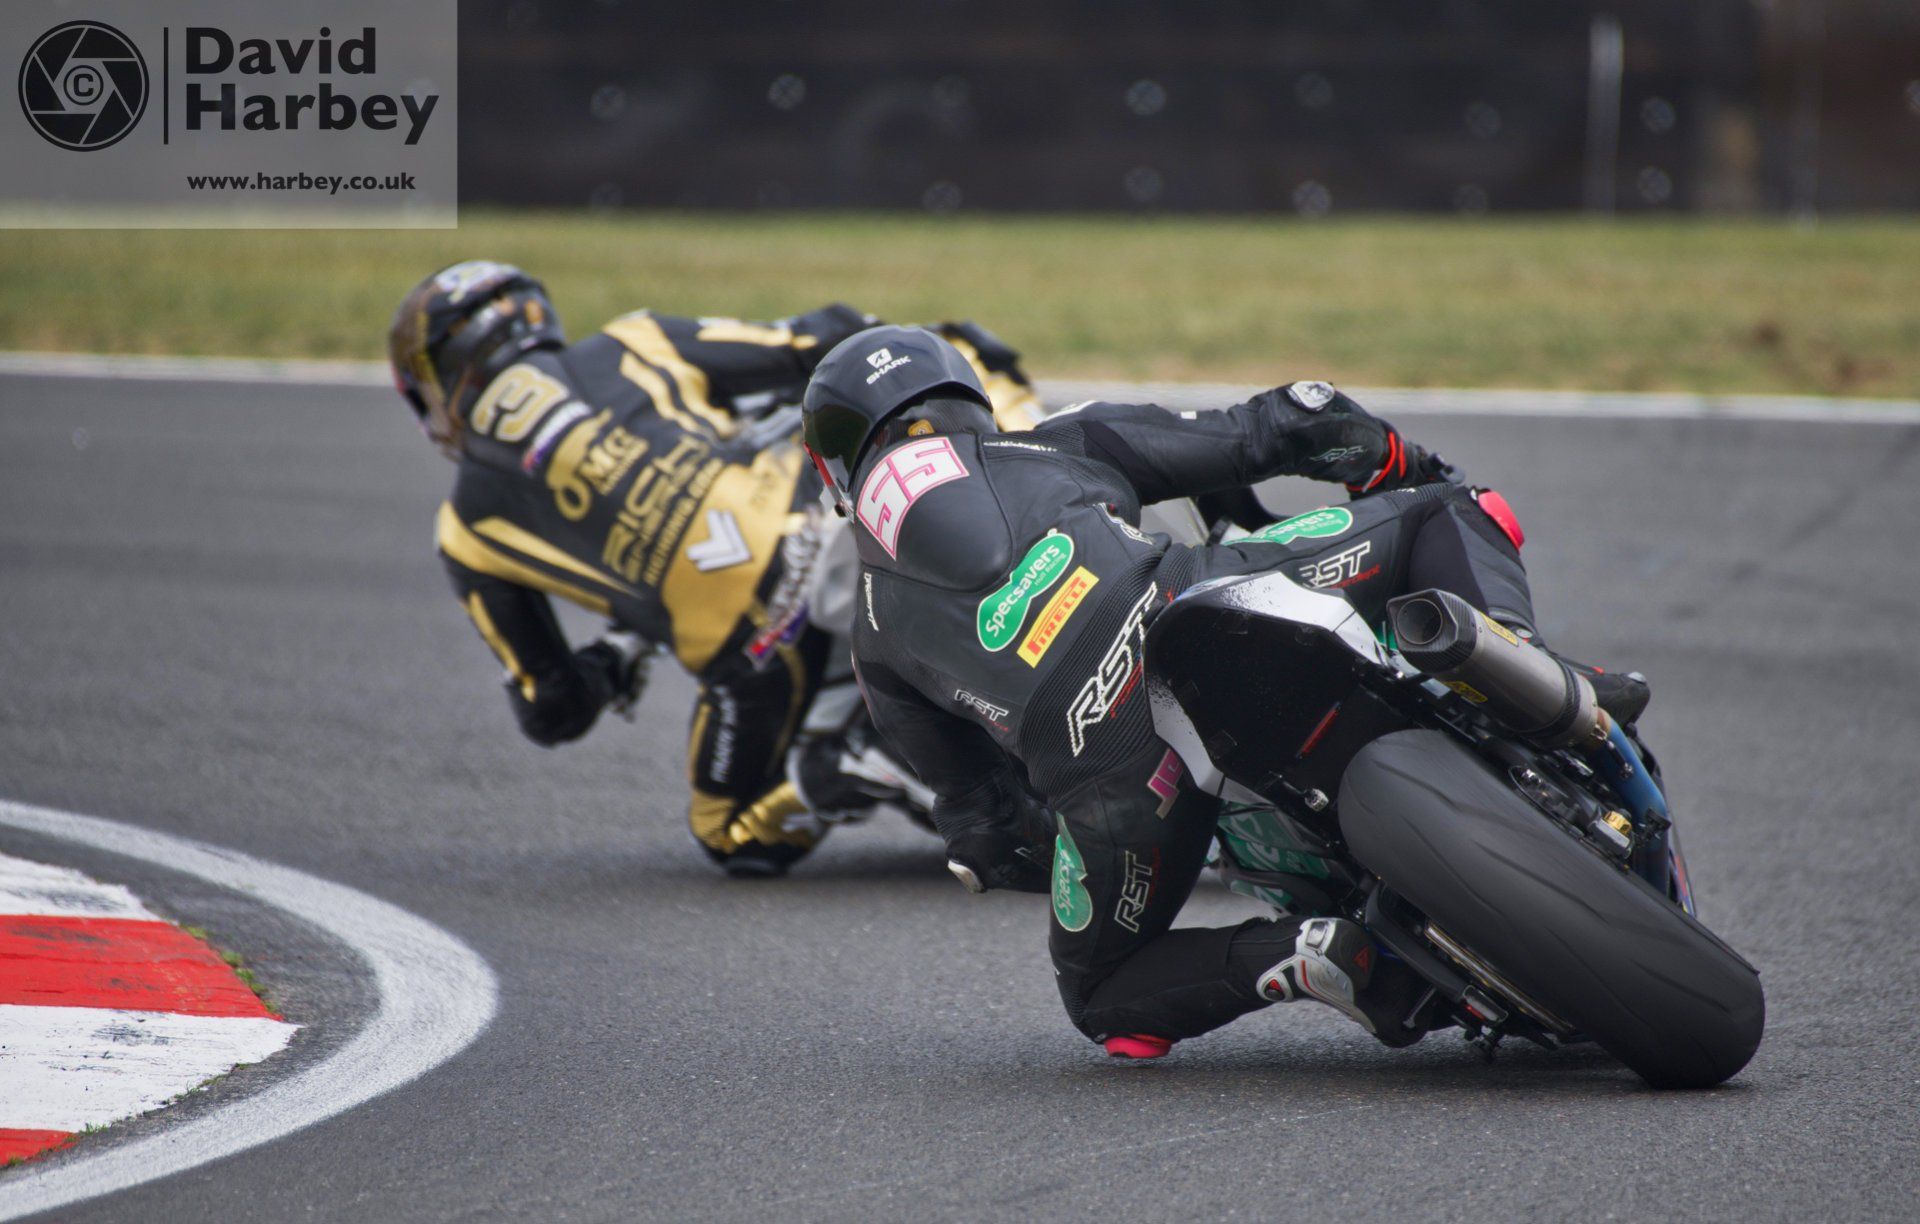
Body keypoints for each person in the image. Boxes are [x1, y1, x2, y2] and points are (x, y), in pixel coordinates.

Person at [801, 324, 1650, 1056]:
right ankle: (1533, 675)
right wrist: (1395, 464)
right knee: (1443, 509)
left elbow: (984, 833)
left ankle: (1307, 950)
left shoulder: (872, 636)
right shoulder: (1054, 444)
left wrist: (1052, 832)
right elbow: (1293, 419)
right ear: (967, 397)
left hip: (1116, 774)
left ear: (835, 465)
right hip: (1207, 600)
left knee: (1102, 995)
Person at [389, 262, 1040, 877]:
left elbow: (552, 707)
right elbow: (818, 336)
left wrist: (612, 660)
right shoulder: (631, 343)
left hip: (752, 645)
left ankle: (836, 769)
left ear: (440, 378)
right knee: (955, 346)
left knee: (730, 832)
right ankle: (1040, 484)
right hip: (813, 514)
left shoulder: (467, 530)